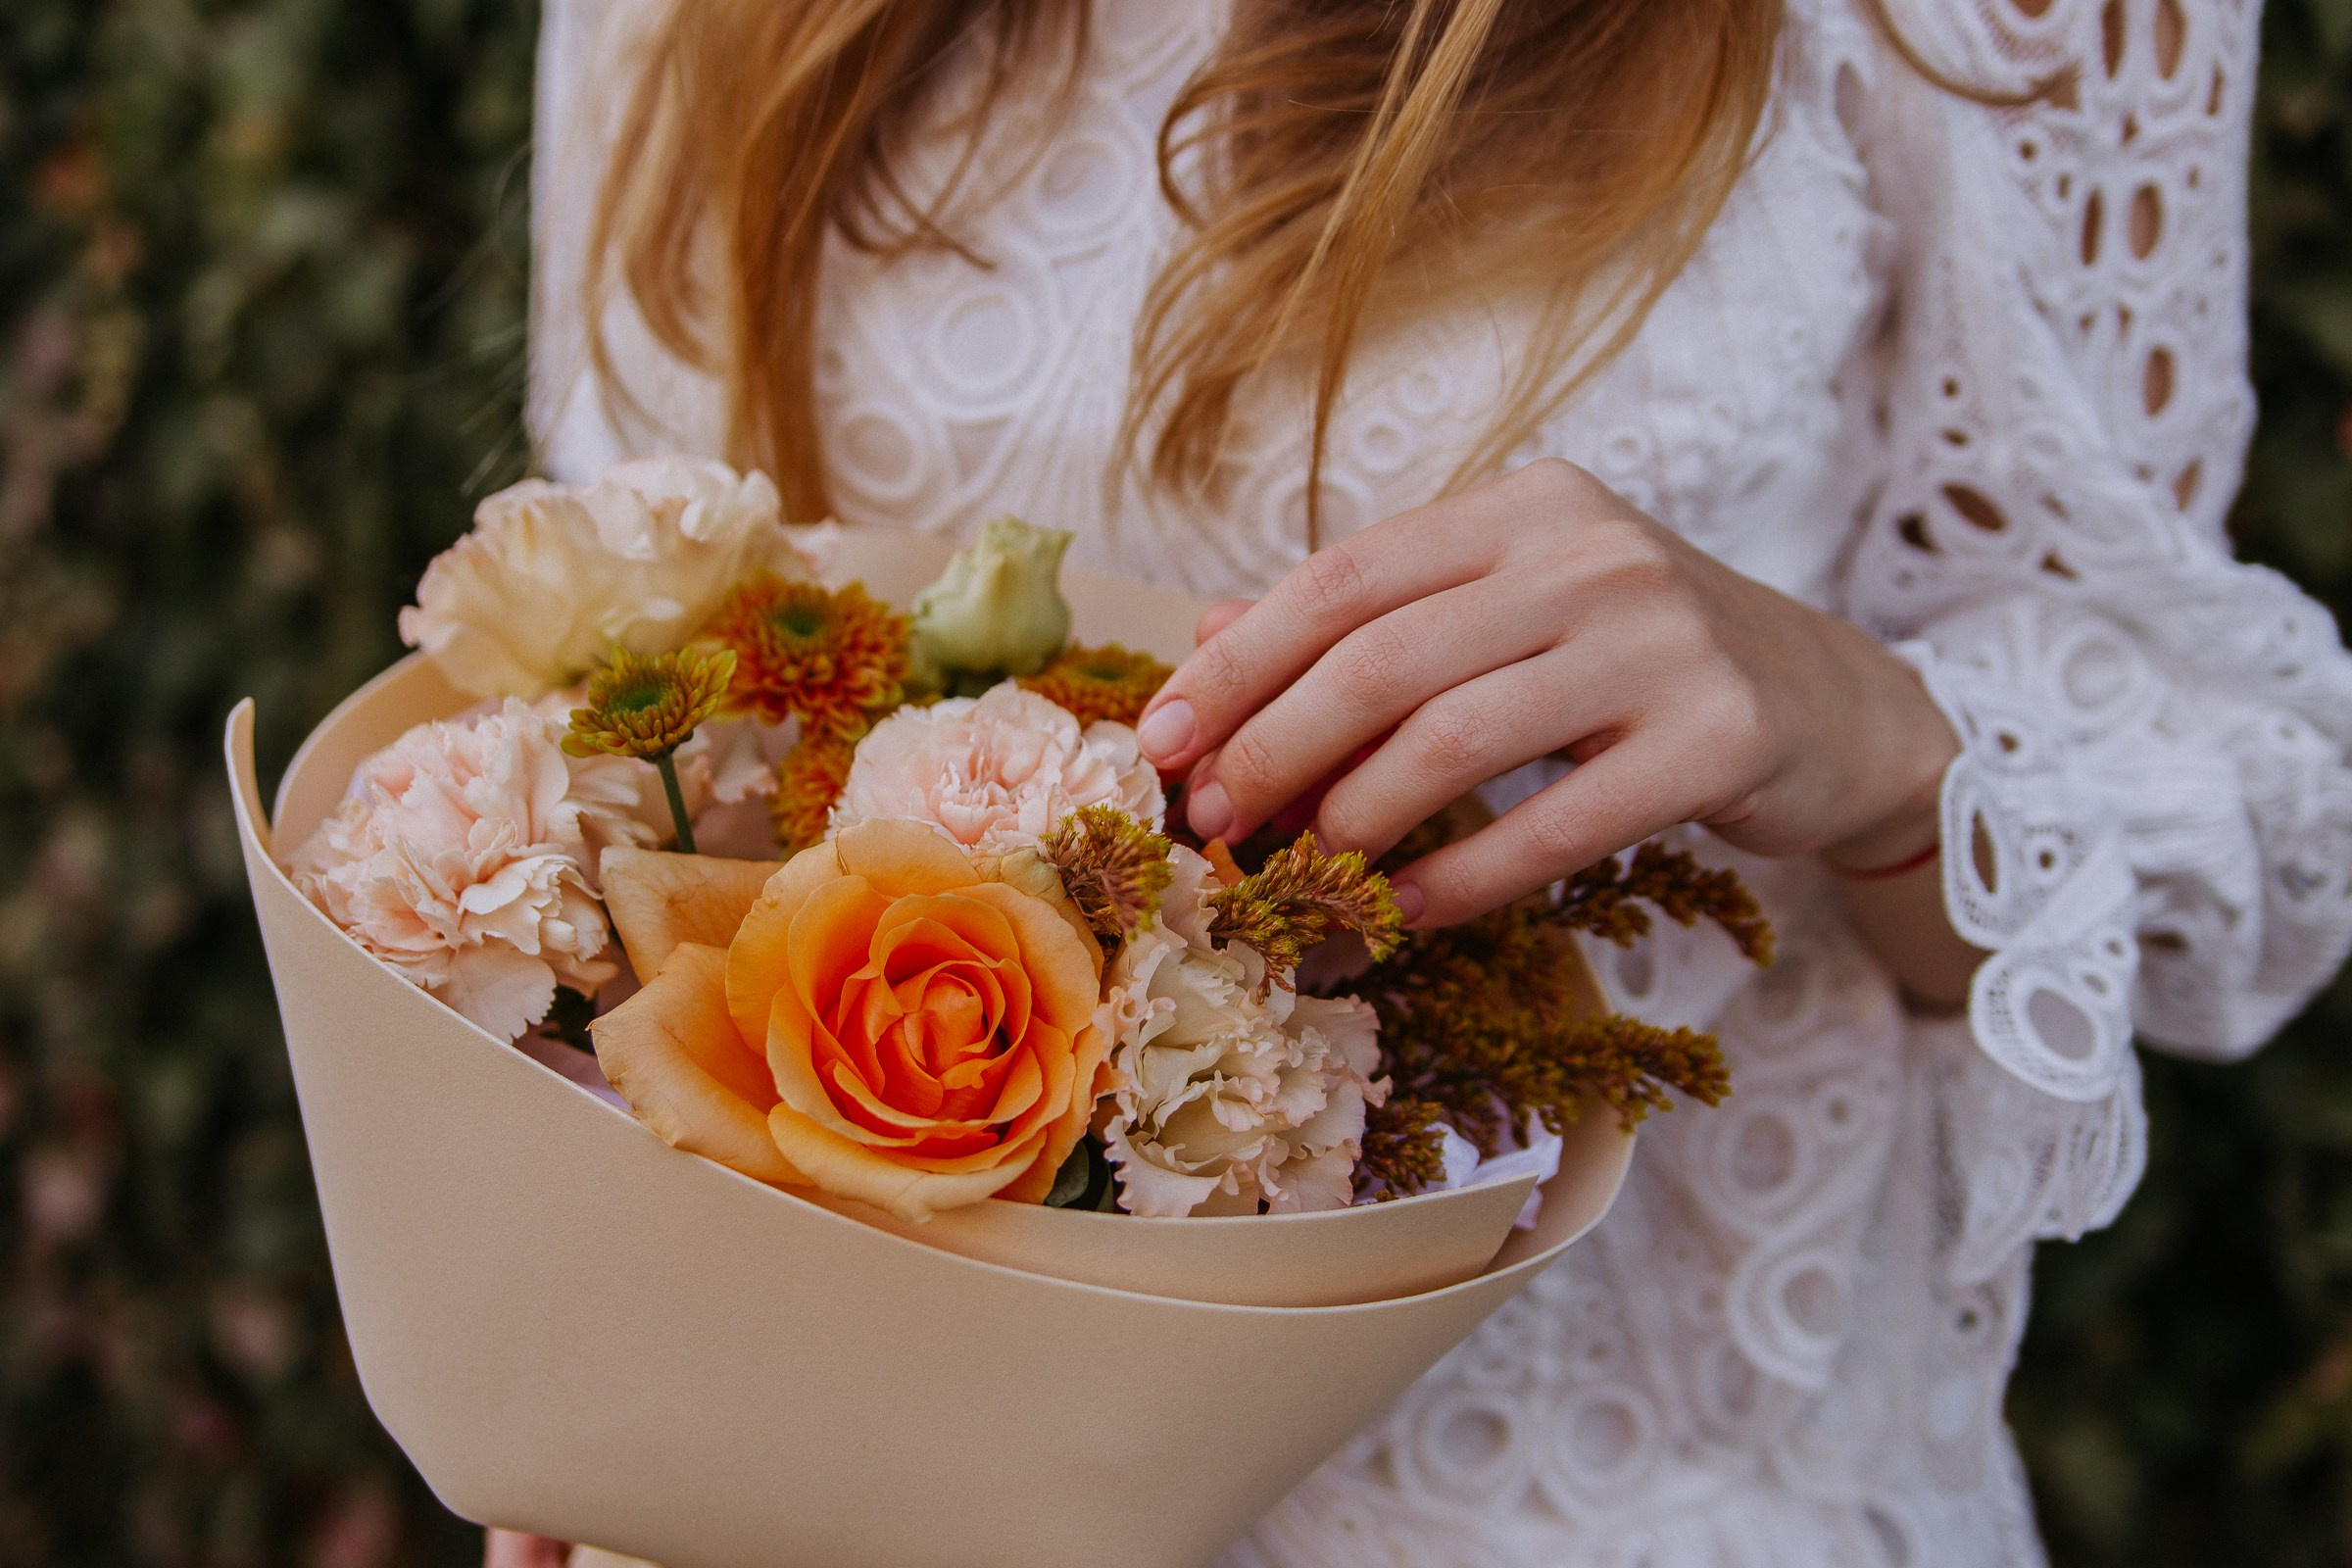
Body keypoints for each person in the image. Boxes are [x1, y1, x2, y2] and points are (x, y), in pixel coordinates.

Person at [494, 0, 2352, 1562]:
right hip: (837, 1494)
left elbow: (2236, 835)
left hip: (1616, 1492)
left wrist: (1871, 740)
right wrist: (593, 1306)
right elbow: (631, 652)